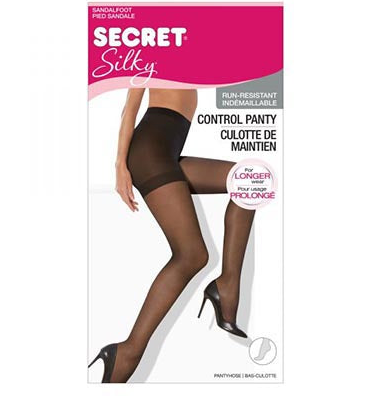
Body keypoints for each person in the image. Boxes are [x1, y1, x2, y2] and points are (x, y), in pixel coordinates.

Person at [88, 88, 255, 382]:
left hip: (167, 152)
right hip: (149, 150)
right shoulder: (157, 57)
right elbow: (130, 106)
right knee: (191, 255)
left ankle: (227, 286)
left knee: (251, 180)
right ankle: (127, 352)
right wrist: (120, 166)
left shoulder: (192, 60)